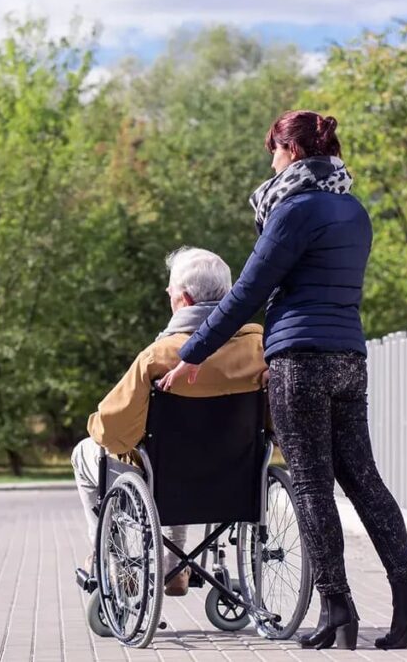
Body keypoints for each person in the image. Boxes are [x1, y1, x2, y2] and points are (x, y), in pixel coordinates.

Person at [159, 111, 407, 650]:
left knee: (311, 484)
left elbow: (245, 294)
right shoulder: (354, 211)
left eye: (273, 152)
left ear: (290, 152)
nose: (270, 162)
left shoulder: (293, 210)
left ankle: (337, 609)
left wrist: (193, 353)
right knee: (364, 479)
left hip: (299, 361)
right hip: (348, 357)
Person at [72, 247, 266, 597]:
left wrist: (96, 426)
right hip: (235, 478)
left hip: (167, 477)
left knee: (88, 452)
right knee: (175, 461)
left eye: (171, 293)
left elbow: (113, 429)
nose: (168, 297)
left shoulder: (160, 356)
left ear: (185, 300)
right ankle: (175, 567)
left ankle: (112, 560)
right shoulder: (260, 349)